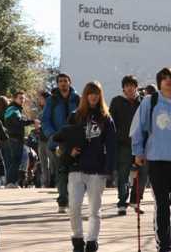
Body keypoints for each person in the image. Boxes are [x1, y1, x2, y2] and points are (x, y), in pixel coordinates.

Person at [131, 67, 171, 252]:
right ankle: (164, 245)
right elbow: (138, 128)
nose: (168, 81)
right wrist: (138, 151)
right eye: (164, 78)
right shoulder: (150, 101)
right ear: (159, 82)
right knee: (162, 205)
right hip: (157, 161)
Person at [55, 81, 116, 252]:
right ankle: (77, 239)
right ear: (85, 95)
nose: (93, 96)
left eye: (96, 93)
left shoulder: (106, 118)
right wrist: (70, 152)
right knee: (74, 207)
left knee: (94, 210)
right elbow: (63, 140)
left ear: (100, 95)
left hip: (97, 171)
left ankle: (92, 241)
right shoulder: (75, 116)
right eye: (90, 93)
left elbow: (111, 146)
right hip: (76, 169)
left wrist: (109, 170)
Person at [110, 75, 147, 216]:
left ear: (136, 87)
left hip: (141, 145)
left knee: (143, 174)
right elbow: (111, 123)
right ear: (123, 88)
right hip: (123, 144)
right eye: (127, 86)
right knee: (123, 174)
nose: (130, 88)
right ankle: (122, 202)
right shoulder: (117, 101)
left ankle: (135, 200)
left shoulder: (143, 102)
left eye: (132, 85)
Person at [42, 73, 80, 213]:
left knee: (75, 173)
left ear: (70, 82)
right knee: (61, 171)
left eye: (65, 81)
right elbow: (45, 120)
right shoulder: (52, 100)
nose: (63, 83)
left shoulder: (77, 99)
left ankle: (74, 199)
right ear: (57, 84)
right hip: (58, 141)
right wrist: (52, 135)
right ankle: (63, 201)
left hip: (74, 141)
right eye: (60, 81)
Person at [4, 90, 35, 188]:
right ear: (15, 99)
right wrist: (32, 121)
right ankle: (10, 182)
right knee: (15, 161)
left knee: (15, 161)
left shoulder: (14, 109)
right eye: (20, 98)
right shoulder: (14, 109)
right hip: (15, 138)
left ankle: (12, 182)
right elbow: (19, 121)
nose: (22, 100)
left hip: (15, 138)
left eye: (23, 98)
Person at [35, 90, 52, 188]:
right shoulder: (41, 111)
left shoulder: (50, 110)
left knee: (51, 163)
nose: (39, 100)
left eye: (40, 98)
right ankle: (45, 182)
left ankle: (50, 181)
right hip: (41, 139)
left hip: (48, 139)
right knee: (43, 163)